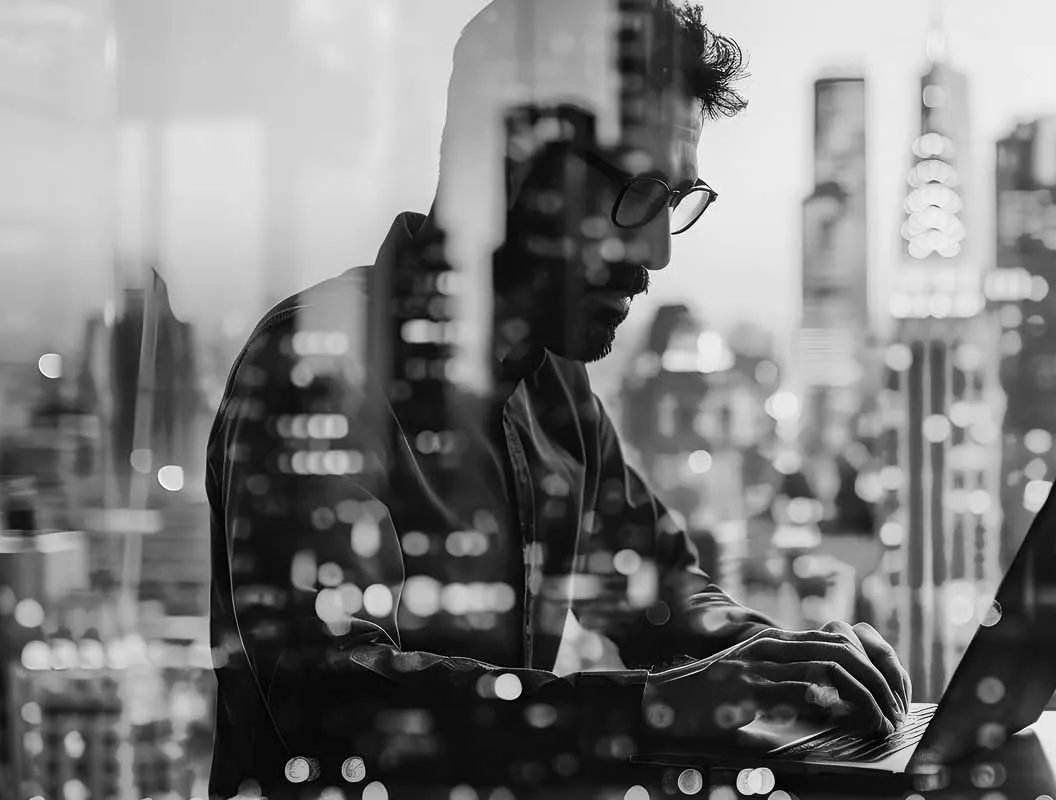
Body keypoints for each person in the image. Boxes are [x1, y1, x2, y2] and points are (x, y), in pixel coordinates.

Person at [206, 0, 910, 795]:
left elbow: (661, 588)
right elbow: (333, 698)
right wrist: (659, 708)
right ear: (504, 160)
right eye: (637, 193)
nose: (655, 252)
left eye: (675, 202)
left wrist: (795, 664)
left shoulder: (552, 388)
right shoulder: (313, 365)